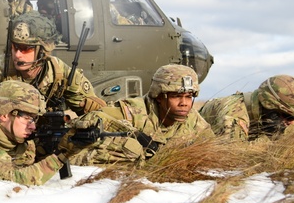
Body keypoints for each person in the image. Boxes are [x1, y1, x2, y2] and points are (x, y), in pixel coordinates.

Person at [0, 11, 105, 130]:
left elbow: (92, 107)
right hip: (2, 139)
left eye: (26, 49)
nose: (17, 54)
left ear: (43, 51)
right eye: (15, 47)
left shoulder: (60, 73)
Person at [61, 64, 214, 164]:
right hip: (100, 175)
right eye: (176, 96)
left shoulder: (194, 121)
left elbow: (213, 151)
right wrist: (130, 134)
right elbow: (85, 122)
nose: (184, 103)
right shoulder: (130, 111)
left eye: (189, 97)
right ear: (159, 96)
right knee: (132, 148)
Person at [199, 74, 294, 141]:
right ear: (269, 105)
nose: (291, 122)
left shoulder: (267, 114)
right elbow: (232, 158)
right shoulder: (235, 115)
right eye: (288, 116)